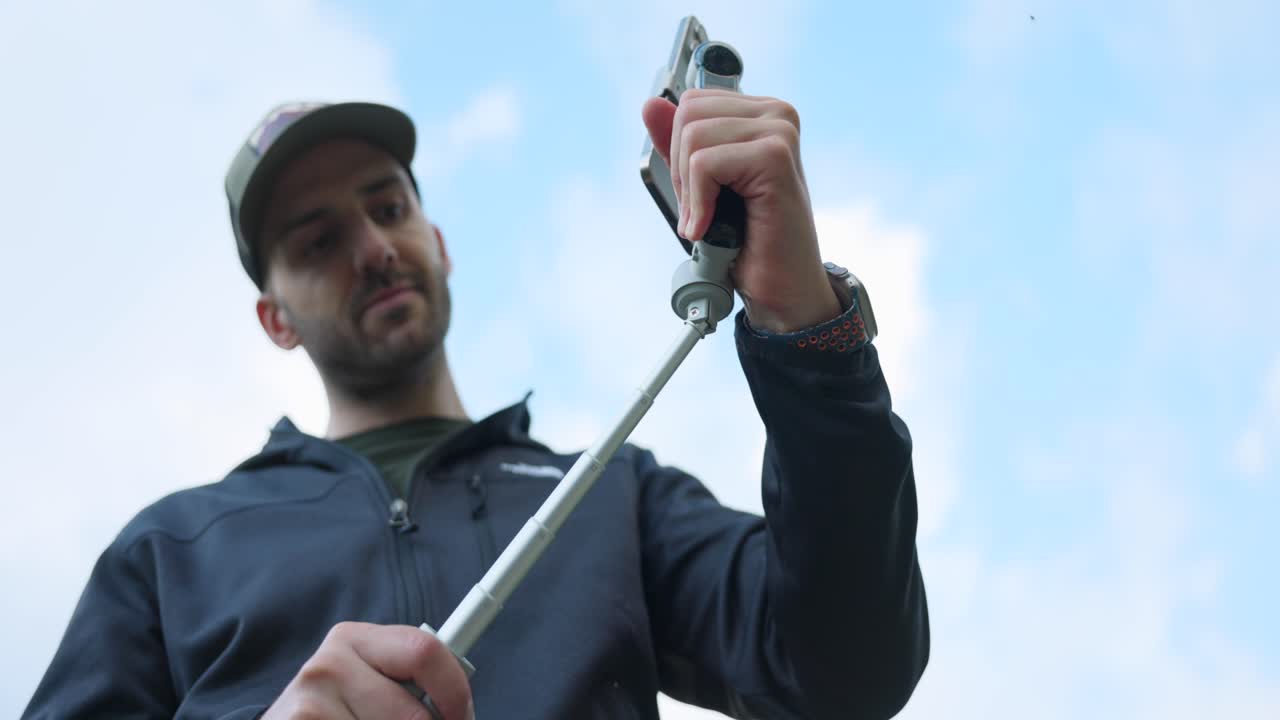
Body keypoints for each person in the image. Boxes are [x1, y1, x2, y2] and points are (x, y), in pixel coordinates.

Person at [23, 90, 929, 719]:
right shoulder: (172, 550)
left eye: (388, 207)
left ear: (439, 242)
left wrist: (802, 325)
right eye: (318, 239)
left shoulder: (616, 495)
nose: (373, 247)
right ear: (276, 319)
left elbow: (846, 670)